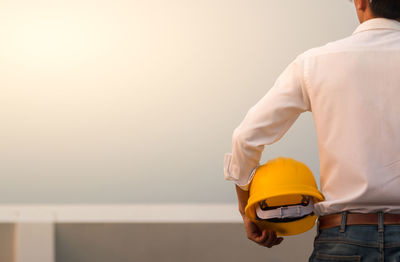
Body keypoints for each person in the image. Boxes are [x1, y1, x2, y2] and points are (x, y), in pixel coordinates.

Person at [223, 0, 400, 260]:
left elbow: (245, 136)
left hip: (343, 238)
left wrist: (245, 209)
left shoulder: (315, 62)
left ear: (360, 2)